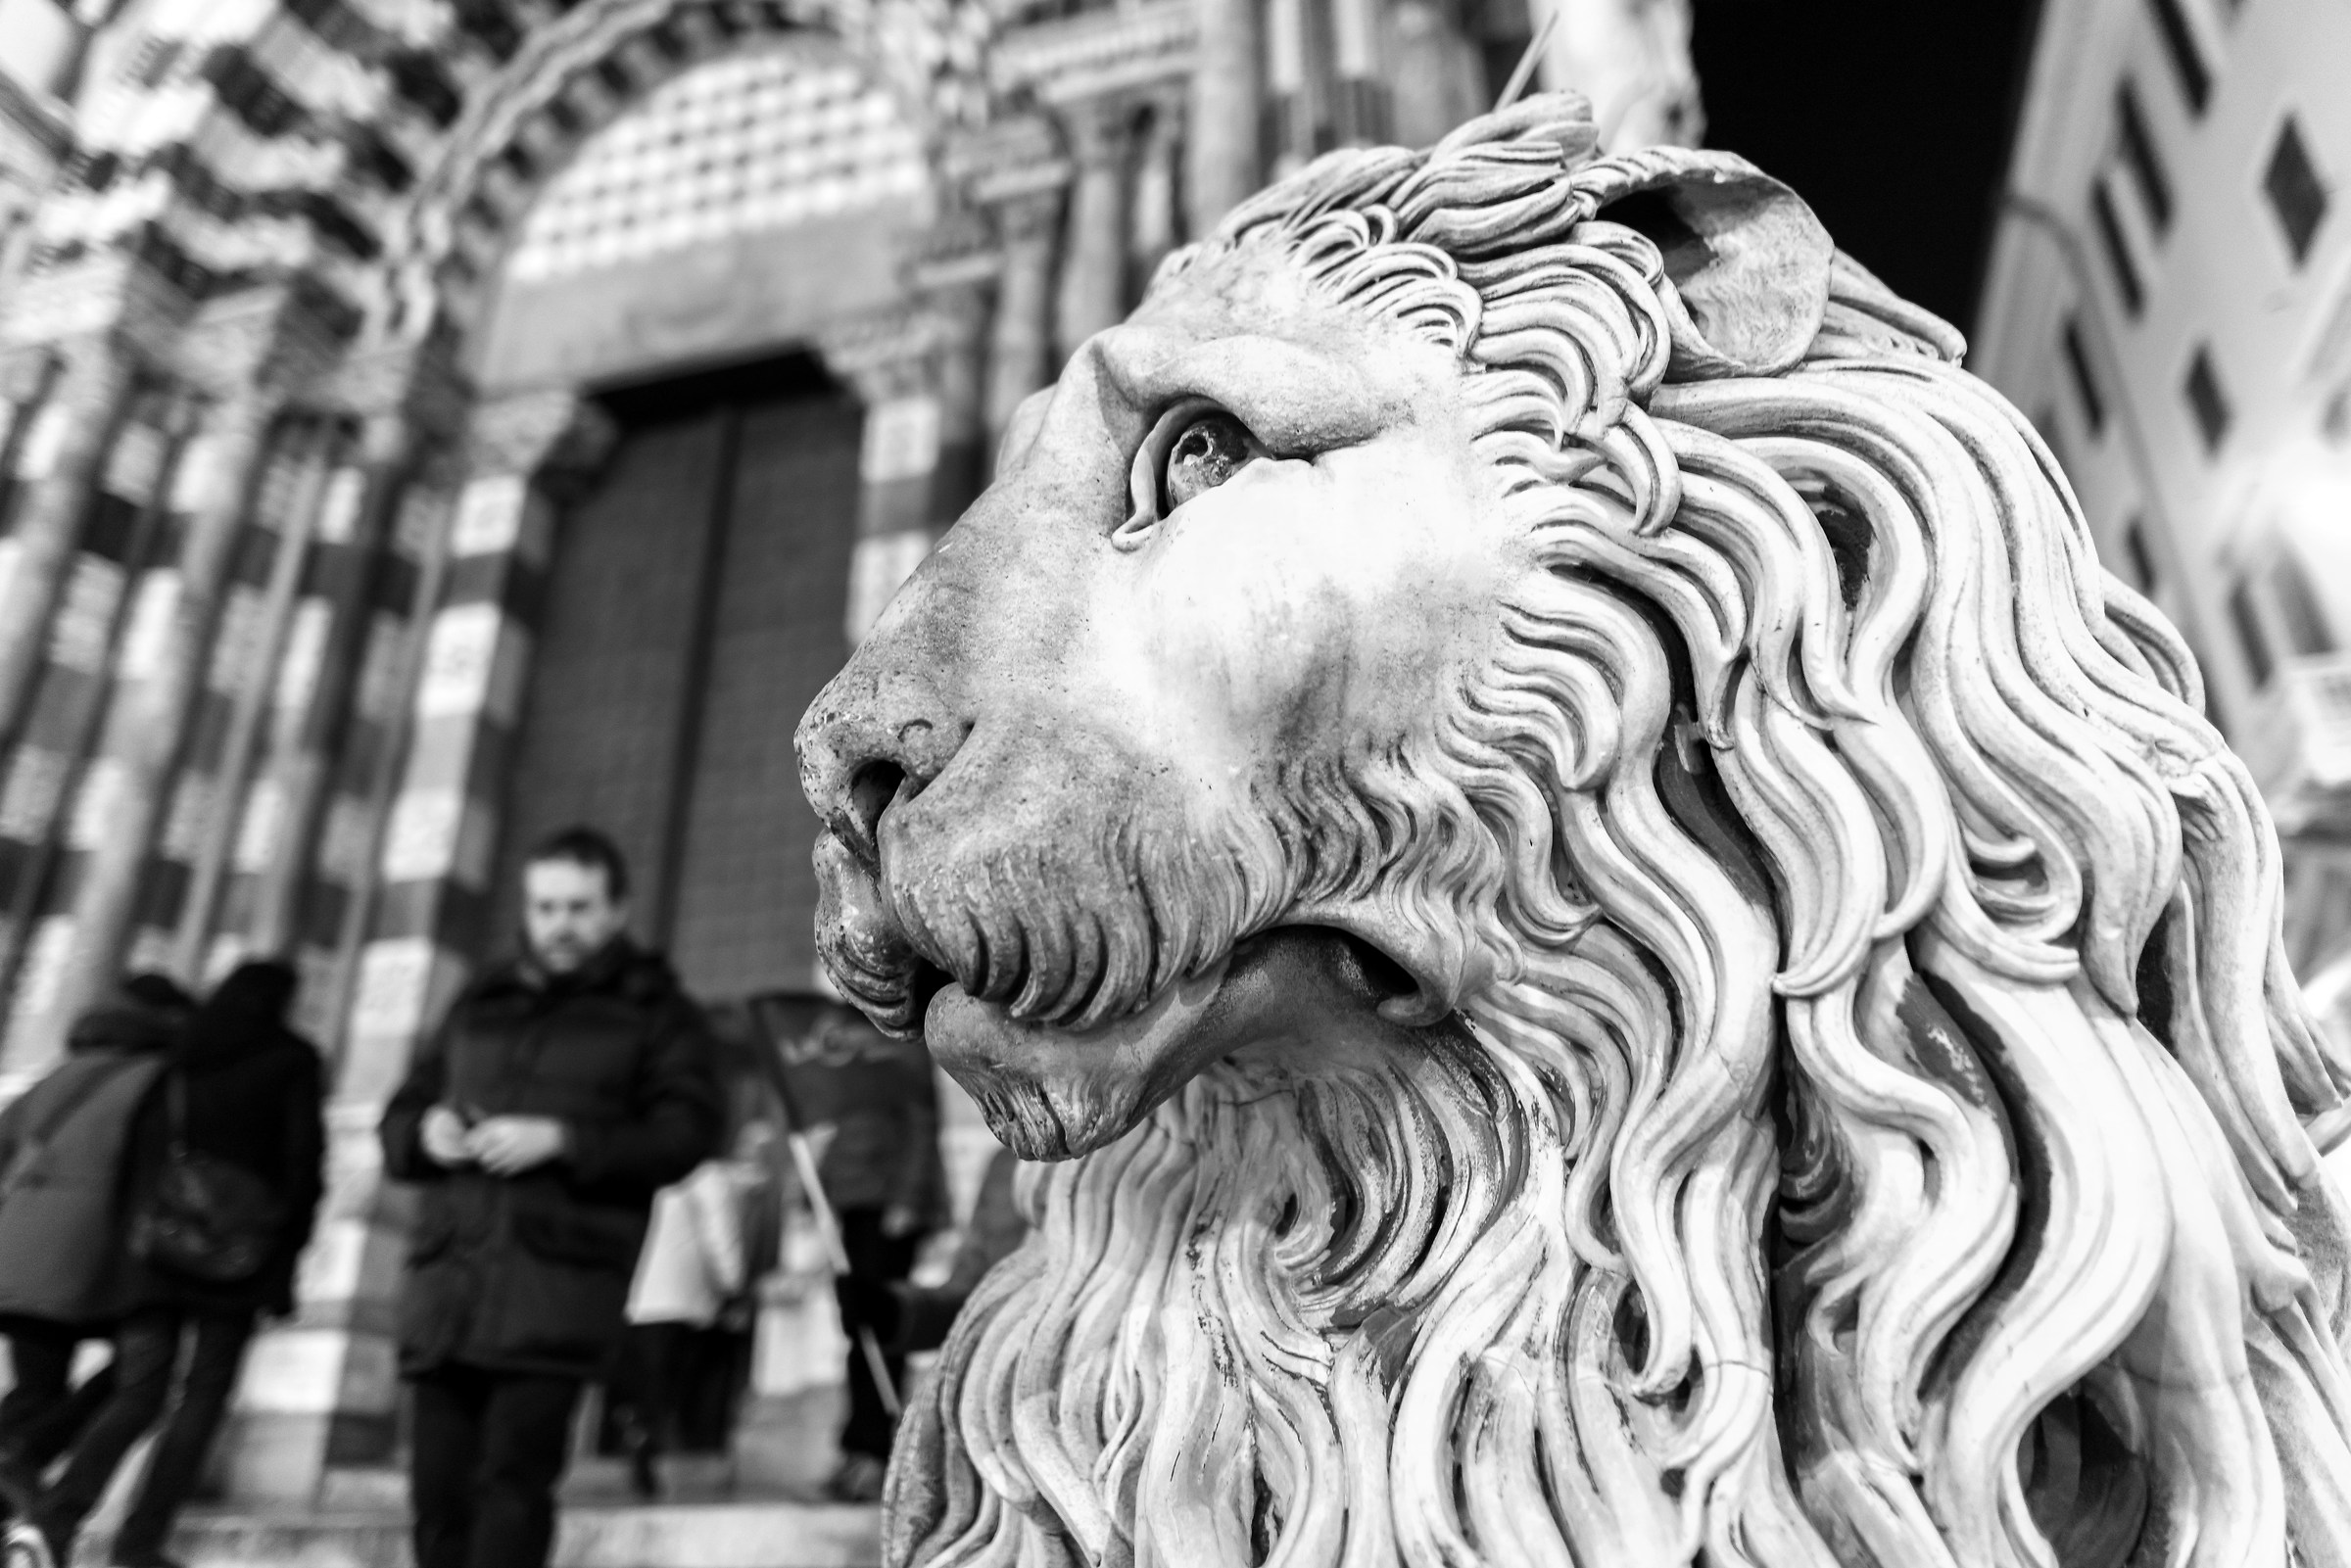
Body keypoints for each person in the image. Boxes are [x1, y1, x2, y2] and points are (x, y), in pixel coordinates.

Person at [381, 826, 721, 1568]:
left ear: (616, 910)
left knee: (511, 1492)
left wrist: (563, 1139)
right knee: (435, 1497)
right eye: (544, 907)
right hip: (448, 1289)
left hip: (556, 1292)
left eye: (576, 907)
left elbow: (689, 1132)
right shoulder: (480, 1000)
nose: (558, 924)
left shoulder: (657, 1010)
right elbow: (399, 1114)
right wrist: (424, 1130)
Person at [7, 961, 324, 1568]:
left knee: (136, 1391)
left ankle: (54, 1520)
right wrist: (285, 1261)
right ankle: (138, 1544)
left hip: (154, 1255)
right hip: (239, 1259)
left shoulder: (178, 1058)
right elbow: (302, 1164)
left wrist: (136, 1241)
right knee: (200, 1397)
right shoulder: (290, 1059)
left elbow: (135, 1158)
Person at [0, 976, 191, 1522]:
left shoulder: (55, 1079)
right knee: (141, 1377)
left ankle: (16, 1471)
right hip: (96, 1254)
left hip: (19, 1253)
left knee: (36, 1391)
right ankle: (26, 1466)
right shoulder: (161, 1079)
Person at [609, 1107, 781, 1499]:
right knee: (689, 1389)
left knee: (645, 1385)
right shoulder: (706, 1176)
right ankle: (687, 1465)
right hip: (685, 1300)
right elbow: (723, 1242)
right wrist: (734, 1285)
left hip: (635, 1299)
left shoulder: (636, 1172)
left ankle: (642, 1441)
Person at [812, 1012, 945, 1502]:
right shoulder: (849, 1068)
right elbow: (843, 1134)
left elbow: (920, 1125)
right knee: (856, 1330)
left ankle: (876, 1450)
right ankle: (856, 1444)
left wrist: (910, 1200)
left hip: (888, 1210)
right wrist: (817, 1190)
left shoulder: (902, 1055)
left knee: (882, 1327)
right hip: (851, 1209)